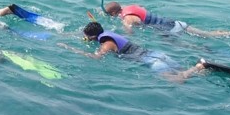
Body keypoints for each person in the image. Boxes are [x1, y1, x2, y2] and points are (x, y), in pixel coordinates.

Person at [58, 21, 216, 83]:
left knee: (178, 80)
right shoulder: (108, 33)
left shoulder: (106, 44)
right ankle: (199, 69)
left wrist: (71, 49)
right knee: (180, 71)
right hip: (156, 54)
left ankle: (198, 67)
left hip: (153, 61)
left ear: (93, 37)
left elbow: (96, 58)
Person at [102, 1, 230, 37]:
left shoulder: (127, 18)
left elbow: (133, 27)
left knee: (190, 47)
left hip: (169, 30)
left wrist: (126, 30)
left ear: (114, 13)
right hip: (175, 22)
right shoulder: (132, 6)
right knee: (206, 34)